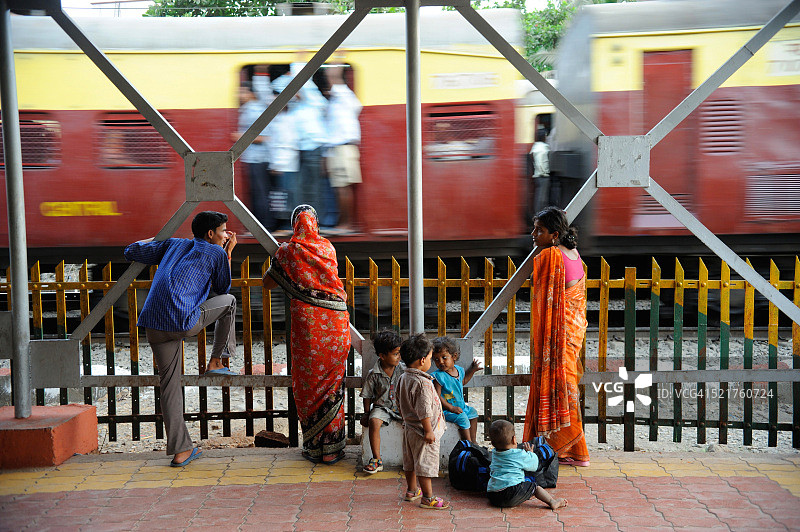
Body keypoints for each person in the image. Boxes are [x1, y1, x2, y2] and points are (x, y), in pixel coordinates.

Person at [123, 211, 239, 467]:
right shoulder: (216, 252)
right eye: (223, 231)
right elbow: (222, 289)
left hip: (153, 322)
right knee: (230, 303)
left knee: (169, 385)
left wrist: (158, 239)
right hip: (181, 321)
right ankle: (217, 361)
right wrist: (228, 253)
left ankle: (181, 450)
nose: (225, 236)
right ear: (211, 234)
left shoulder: (173, 244)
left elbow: (131, 251)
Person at [262, 204, 350, 464]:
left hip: (309, 330)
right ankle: (332, 449)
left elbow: (267, 284)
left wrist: (280, 256)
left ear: (295, 226)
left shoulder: (289, 251)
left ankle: (314, 448)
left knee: (308, 384)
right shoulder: (327, 248)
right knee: (332, 384)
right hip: (336, 324)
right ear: (317, 225)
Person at [523, 206, 590, 467]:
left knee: (563, 391)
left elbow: (542, 293)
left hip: (560, 338)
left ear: (555, 234)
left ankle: (573, 449)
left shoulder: (552, 256)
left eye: (539, 230)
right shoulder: (572, 253)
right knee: (566, 391)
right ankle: (567, 450)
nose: (533, 234)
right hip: (573, 332)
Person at [397, 334, 450, 510]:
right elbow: (424, 410)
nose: (431, 362)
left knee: (410, 461)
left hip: (409, 428)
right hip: (423, 431)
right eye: (429, 358)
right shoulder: (423, 383)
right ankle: (428, 497)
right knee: (424, 463)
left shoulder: (404, 377)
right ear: (421, 360)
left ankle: (412, 490)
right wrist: (429, 431)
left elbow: (398, 400)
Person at [487, 420, 568, 509]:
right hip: (511, 493)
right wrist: (530, 453)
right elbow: (534, 465)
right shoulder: (519, 454)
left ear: (493, 444)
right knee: (535, 487)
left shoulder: (494, 454)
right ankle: (552, 502)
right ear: (514, 439)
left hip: (493, 495)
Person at [324, 65, 362, 234]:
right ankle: (343, 222)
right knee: (340, 188)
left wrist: (336, 61)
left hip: (343, 148)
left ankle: (346, 224)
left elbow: (334, 76)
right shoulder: (336, 102)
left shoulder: (345, 96)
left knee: (343, 188)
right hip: (337, 149)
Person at [360, 329, 404, 474]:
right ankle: (376, 459)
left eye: (399, 353)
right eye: (395, 354)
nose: (399, 357)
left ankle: (411, 459)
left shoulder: (403, 371)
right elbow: (367, 395)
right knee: (374, 421)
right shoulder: (373, 374)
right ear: (382, 356)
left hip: (401, 407)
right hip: (382, 407)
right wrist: (367, 413)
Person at [233, 83, 274, 230]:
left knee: (260, 193)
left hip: (258, 159)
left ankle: (265, 227)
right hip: (252, 158)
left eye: (243, 92)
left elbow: (265, 137)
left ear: (252, 93)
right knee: (256, 193)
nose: (239, 96)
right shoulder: (248, 110)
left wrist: (240, 136)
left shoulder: (256, 110)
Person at [430, 336, 482, 442]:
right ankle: (468, 444)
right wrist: (450, 408)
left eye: (444, 357)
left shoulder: (459, 370)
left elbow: (462, 382)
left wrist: (472, 370)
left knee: (473, 413)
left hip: (460, 407)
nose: (440, 362)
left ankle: (474, 440)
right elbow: (437, 396)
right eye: (436, 359)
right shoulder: (438, 377)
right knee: (462, 418)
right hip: (446, 410)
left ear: (454, 356)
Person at [530, 128, 550, 213]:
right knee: (542, 198)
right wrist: (543, 172)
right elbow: (539, 162)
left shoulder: (536, 146)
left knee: (539, 197)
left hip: (538, 175)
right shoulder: (542, 147)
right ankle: (540, 215)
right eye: (545, 136)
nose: (546, 138)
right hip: (542, 176)